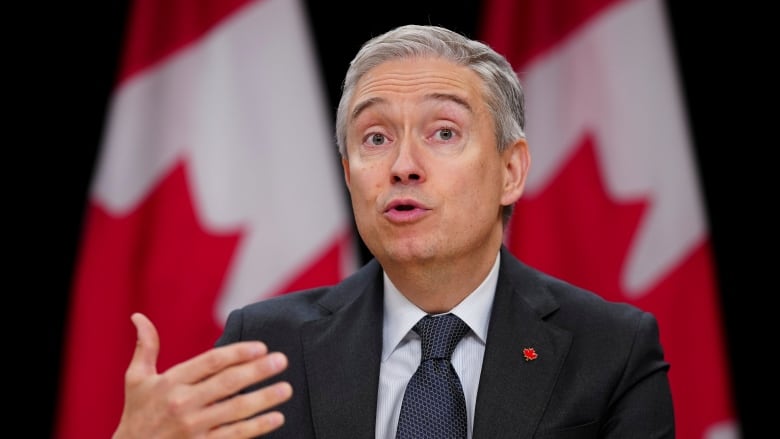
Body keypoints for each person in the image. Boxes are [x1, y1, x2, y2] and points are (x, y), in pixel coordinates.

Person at [112, 24, 675, 438]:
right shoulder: (262, 348)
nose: (403, 165)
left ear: (510, 171)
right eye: (375, 138)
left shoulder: (612, 351)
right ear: (349, 176)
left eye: (444, 132)